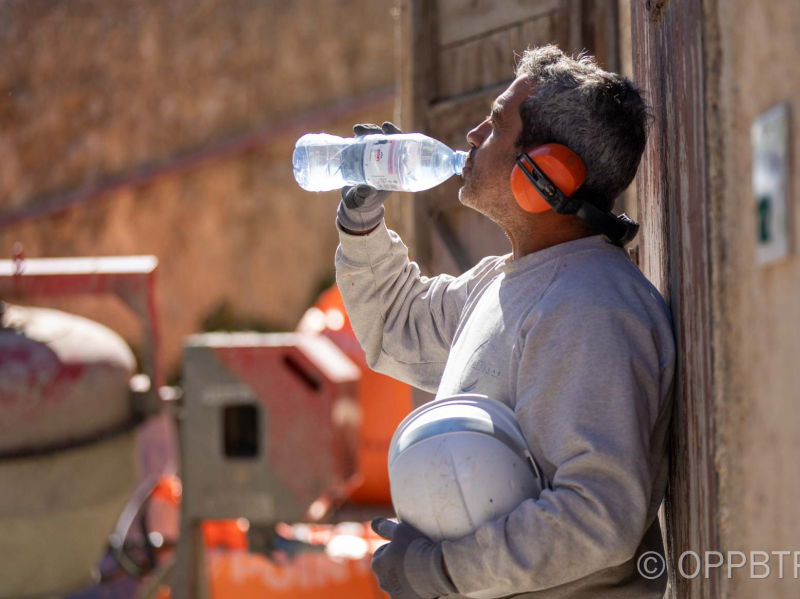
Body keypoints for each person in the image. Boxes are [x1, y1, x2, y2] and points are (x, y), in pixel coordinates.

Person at [334, 45, 675, 599]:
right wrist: (361, 219)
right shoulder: (509, 280)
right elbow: (398, 325)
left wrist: (443, 570)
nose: (471, 136)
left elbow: (597, 514)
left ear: (545, 172)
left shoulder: (589, 307)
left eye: (494, 125)